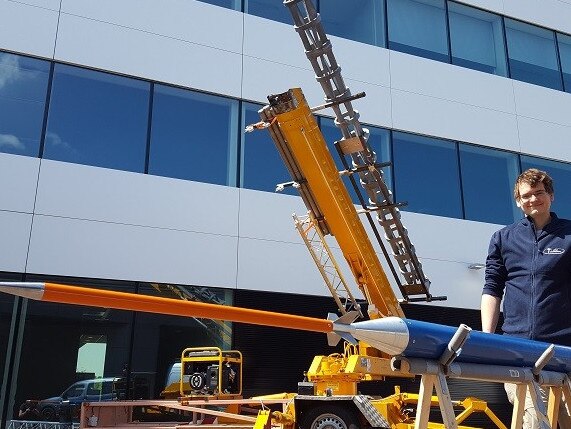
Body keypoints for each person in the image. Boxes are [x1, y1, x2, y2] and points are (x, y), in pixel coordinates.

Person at [481, 168, 571, 429]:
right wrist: (486, 337)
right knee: (534, 417)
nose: (533, 199)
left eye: (539, 193)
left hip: (564, 348)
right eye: (526, 195)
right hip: (518, 350)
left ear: (551, 196)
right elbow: (492, 288)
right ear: (519, 202)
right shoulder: (503, 238)